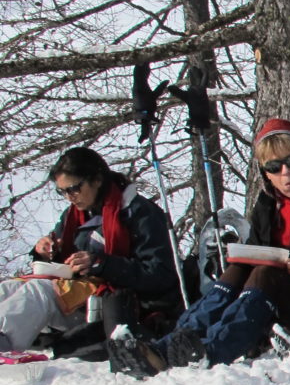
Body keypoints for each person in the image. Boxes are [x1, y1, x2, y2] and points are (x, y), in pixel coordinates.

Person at [108, 118, 290, 375]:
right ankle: (168, 347)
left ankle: (213, 350)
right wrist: (241, 254)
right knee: (238, 269)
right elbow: (259, 250)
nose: (286, 173)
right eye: (274, 167)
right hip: (281, 296)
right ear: (265, 174)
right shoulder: (267, 204)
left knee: (264, 274)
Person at [0, 147, 179, 353]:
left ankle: (4, 347)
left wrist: (101, 264)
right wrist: (45, 252)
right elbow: (61, 257)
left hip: (118, 305)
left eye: (74, 188)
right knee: (7, 289)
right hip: (79, 295)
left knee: (39, 292)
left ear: (96, 179)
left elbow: (160, 274)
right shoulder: (74, 216)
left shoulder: (139, 213)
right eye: (63, 191)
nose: (69, 197)